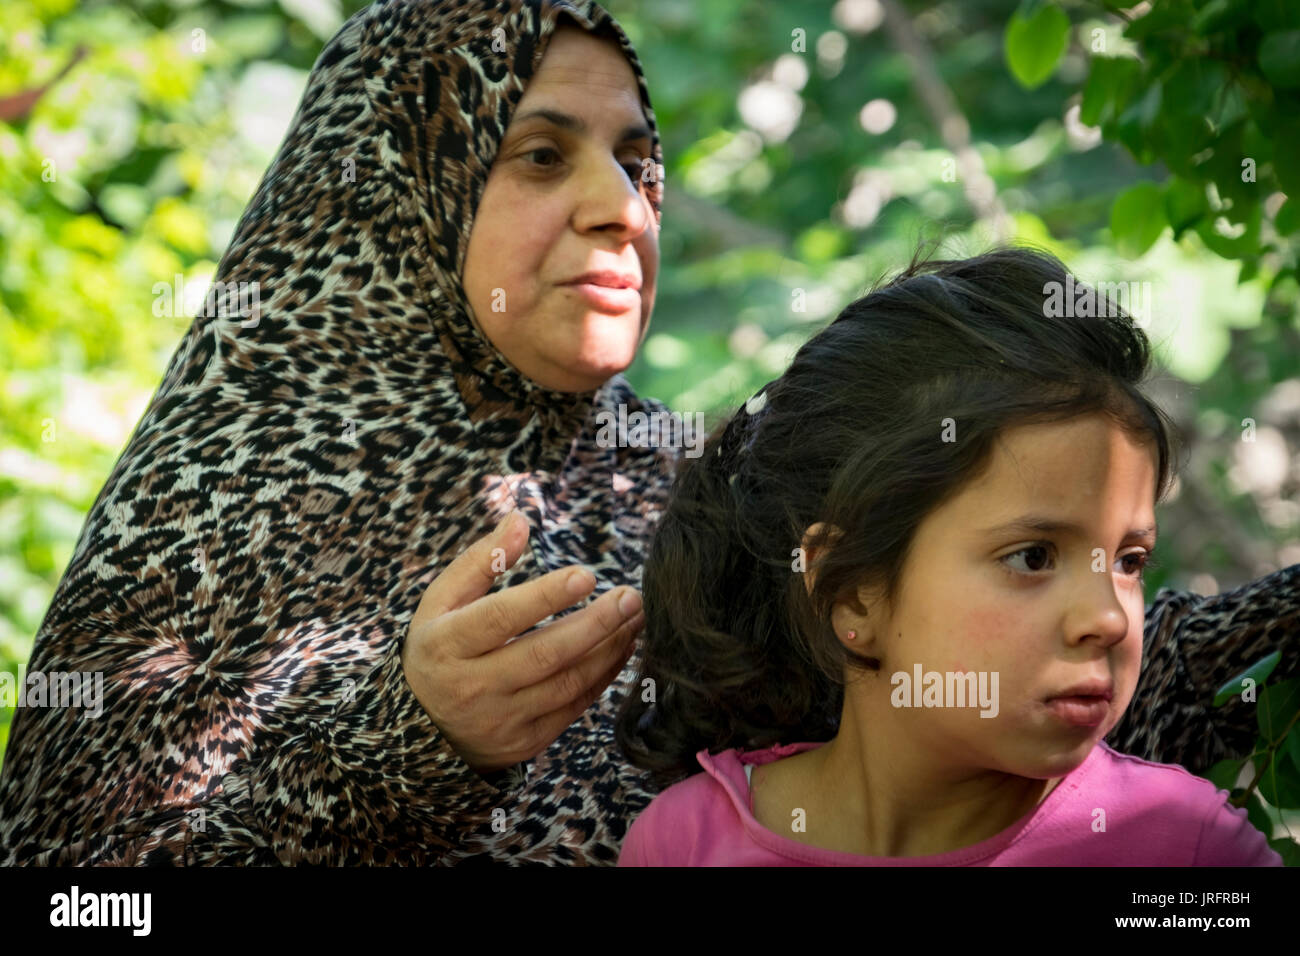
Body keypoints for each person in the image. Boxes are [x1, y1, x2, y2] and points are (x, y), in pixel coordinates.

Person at [0, 0, 1294, 866]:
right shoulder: (219, 509)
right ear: (393, 188)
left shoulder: (680, 479)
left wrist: (1262, 637)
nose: (623, 207)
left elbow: (961, 694)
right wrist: (405, 741)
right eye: (542, 156)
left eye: (636, 160)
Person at [614, 248, 1286, 866]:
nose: (1109, 619)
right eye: (1032, 557)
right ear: (849, 593)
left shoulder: (1185, 845)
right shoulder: (683, 845)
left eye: (1129, 561)